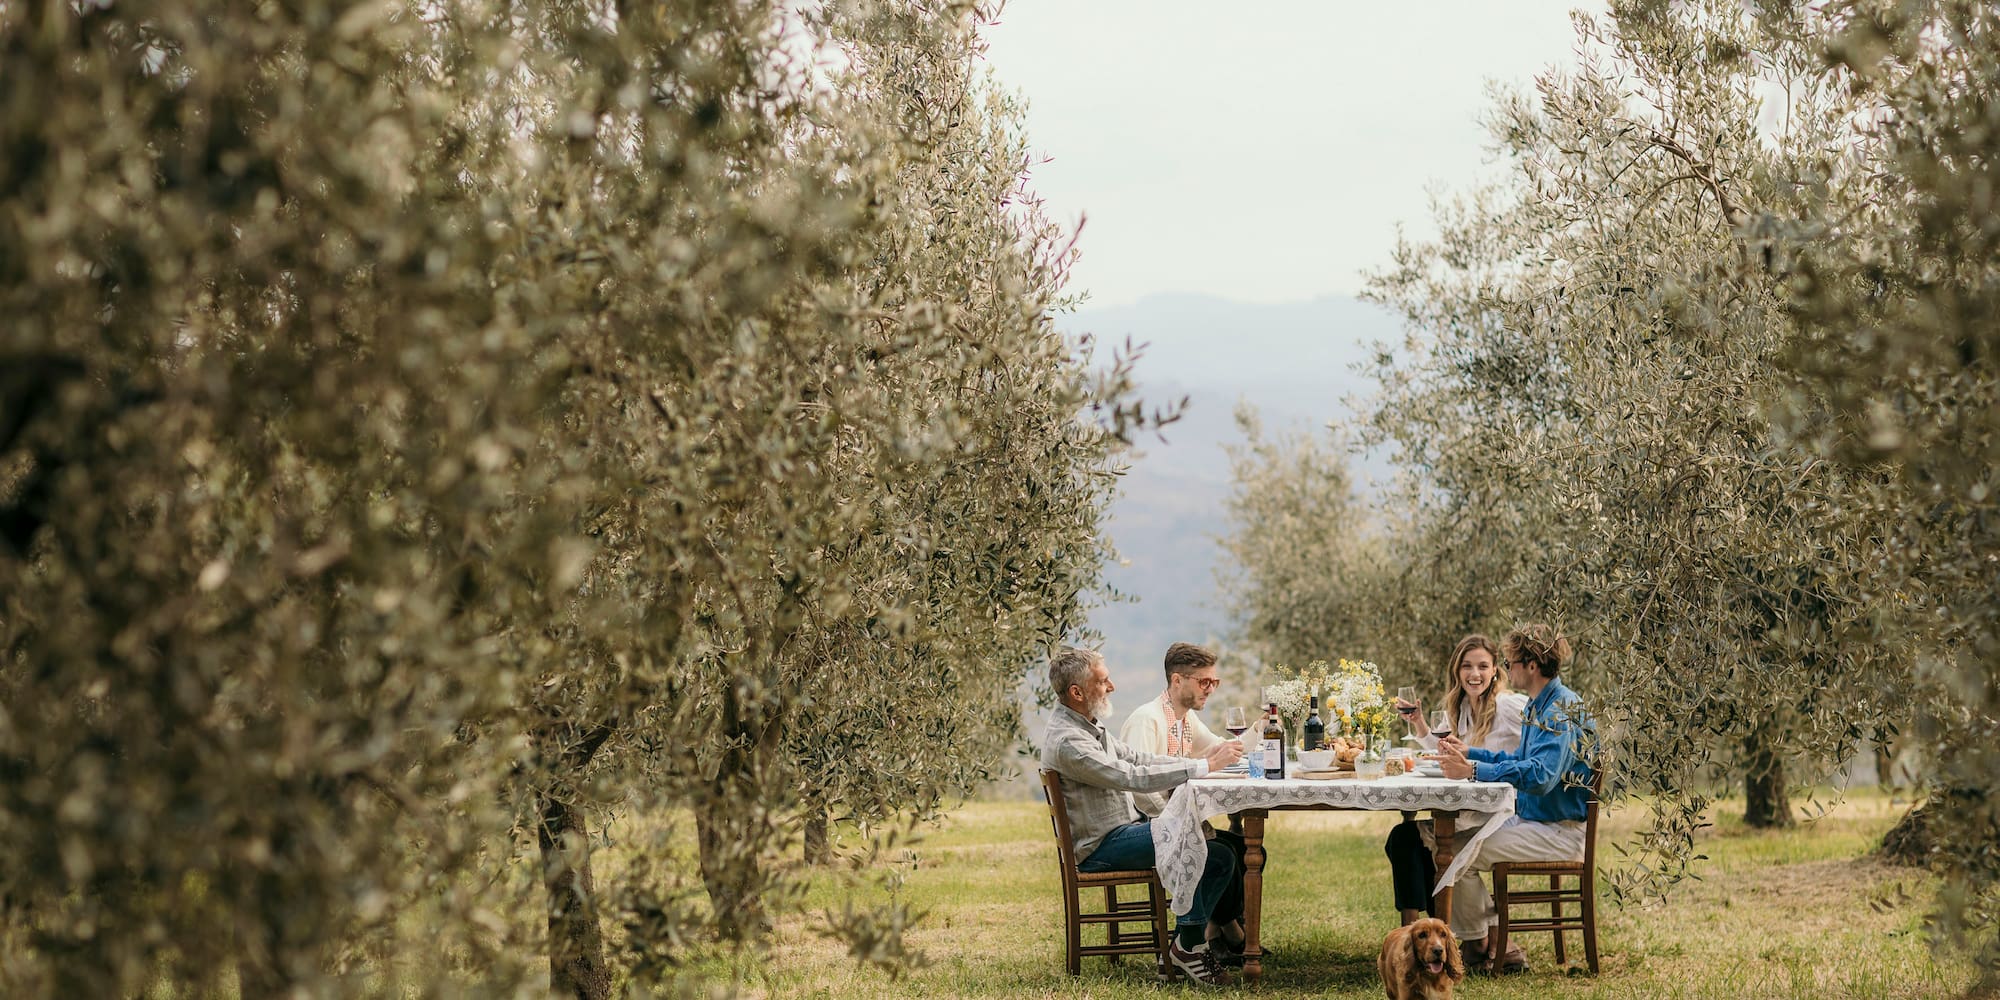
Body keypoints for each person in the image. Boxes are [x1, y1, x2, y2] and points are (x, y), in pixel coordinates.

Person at [1042, 647, 1244, 987]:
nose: (1113, 686)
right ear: (1077, 692)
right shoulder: (1069, 742)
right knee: (1216, 854)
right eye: (1103, 681)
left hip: (1122, 831)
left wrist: (1203, 762)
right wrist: (1204, 766)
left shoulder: (1088, 725)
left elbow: (1140, 759)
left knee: (1218, 847)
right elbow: (1130, 777)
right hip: (1101, 847)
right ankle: (1189, 946)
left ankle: (1186, 945)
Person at [1435, 624, 1596, 974]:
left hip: (1559, 832)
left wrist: (1473, 772)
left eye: (1509, 664)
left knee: (1454, 853)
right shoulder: (1541, 706)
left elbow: (1539, 775)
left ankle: (1485, 947)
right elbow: (1518, 761)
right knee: (1450, 844)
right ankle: (1483, 944)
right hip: (1536, 822)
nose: (1507, 671)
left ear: (1531, 665)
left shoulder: (1560, 711)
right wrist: (1473, 756)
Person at [1383, 635, 1529, 927]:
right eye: (1467, 666)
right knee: (1403, 839)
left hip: (1501, 812)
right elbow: (1439, 752)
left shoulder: (1509, 705)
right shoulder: (1459, 708)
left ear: (1495, 671)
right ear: (1456, 671)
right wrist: (1419, 724)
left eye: (1483, 666)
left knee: (1418, 844)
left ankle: (1469, 932)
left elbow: (1545, 736)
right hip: (1468, 810)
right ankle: (1418, 932)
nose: (1475, 674)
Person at [1118, 642, 1249, 960]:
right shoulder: (1147, 720)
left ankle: (1222, 934)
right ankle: (1195, 941)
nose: (1211, 689)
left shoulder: (1184, 719)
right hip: (1140, 825)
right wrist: (1178, 824)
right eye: (1204, 682)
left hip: (1166, 819)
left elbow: (1220, 749)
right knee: (1219, 854)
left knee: (1240, 849)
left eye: (1214, 682)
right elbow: (1139, 790)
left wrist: (1261, 732)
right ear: (1177, 680)